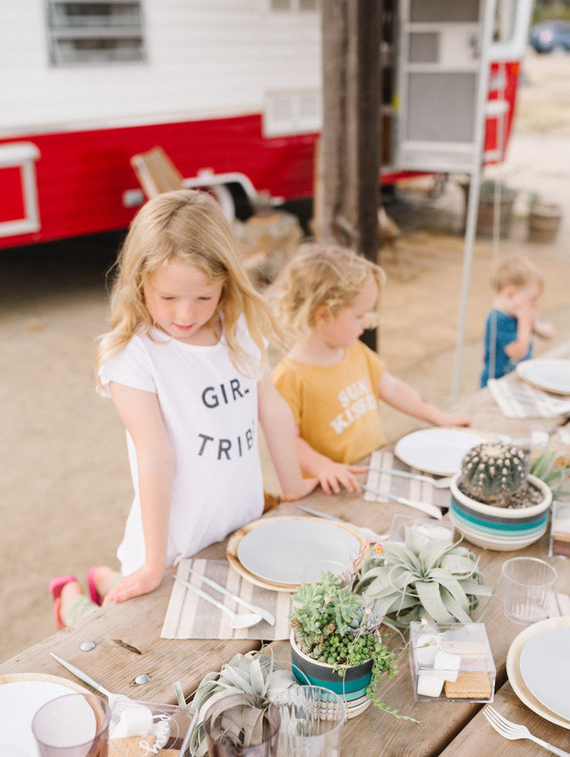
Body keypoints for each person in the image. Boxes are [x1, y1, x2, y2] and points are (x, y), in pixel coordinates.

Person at [50, 189, 318, 628]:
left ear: (226, 282)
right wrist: (154, 563)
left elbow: (270, 408)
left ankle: (100, 578)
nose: (186, 314)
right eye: (169, 298)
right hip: (170, 546)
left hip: (236, 532)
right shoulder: (133, 355)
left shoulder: (238, 328)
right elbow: (155, 454)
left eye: (203, 297)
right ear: (139, 283)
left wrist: (292, 487)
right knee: (124, 636)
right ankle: (72, 599)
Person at [270, 243, 472, 495]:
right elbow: (286, 440)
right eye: (358, 315)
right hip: (333, 489)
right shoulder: (290, 376)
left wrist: (437, 416)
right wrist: (323, 466)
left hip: (373, 469)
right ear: (322, 316)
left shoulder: (354, 350)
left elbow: (392, 387)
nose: (365, 323)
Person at [480, 255, 556, 388]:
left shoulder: (520, 313)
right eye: (532, 299)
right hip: (496, 384)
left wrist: (534, 324)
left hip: (517, 380)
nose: (535, 304)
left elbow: (551, 333)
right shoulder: (497, 319)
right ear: (510, 294)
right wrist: (525, 324)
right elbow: (518, 352)